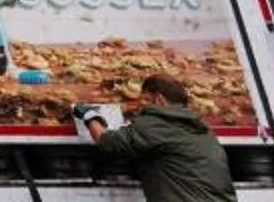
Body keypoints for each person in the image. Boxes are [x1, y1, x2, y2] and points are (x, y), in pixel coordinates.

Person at [84, 74, 238, 202]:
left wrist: (90, 116)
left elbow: (109, 142)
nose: (141, 107)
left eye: (145, 100)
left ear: (158, 99)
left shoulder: (159, 122)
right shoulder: (202, 128)